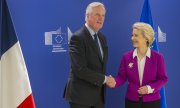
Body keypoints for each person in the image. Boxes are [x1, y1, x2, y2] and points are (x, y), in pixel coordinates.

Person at [63, 2, 115, 108]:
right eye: (97, 14)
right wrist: (105, 79)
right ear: (87, 16)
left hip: (98, 98)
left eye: (103, 15)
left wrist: (106, 79)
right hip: (81, 97)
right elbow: (80, 69)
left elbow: (100, 67)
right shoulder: (77, 38)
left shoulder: (102, 38)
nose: (101, 18)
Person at [109, 22, 168, 108]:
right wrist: (114, 82)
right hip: (131, 101)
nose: (132, 38)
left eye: (136, 35)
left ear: (146, 38)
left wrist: (149, 88)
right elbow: (121, 77)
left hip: (152, 102)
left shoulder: (158, 58)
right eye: (132, 35)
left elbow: (163, 79)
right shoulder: (126, 57)